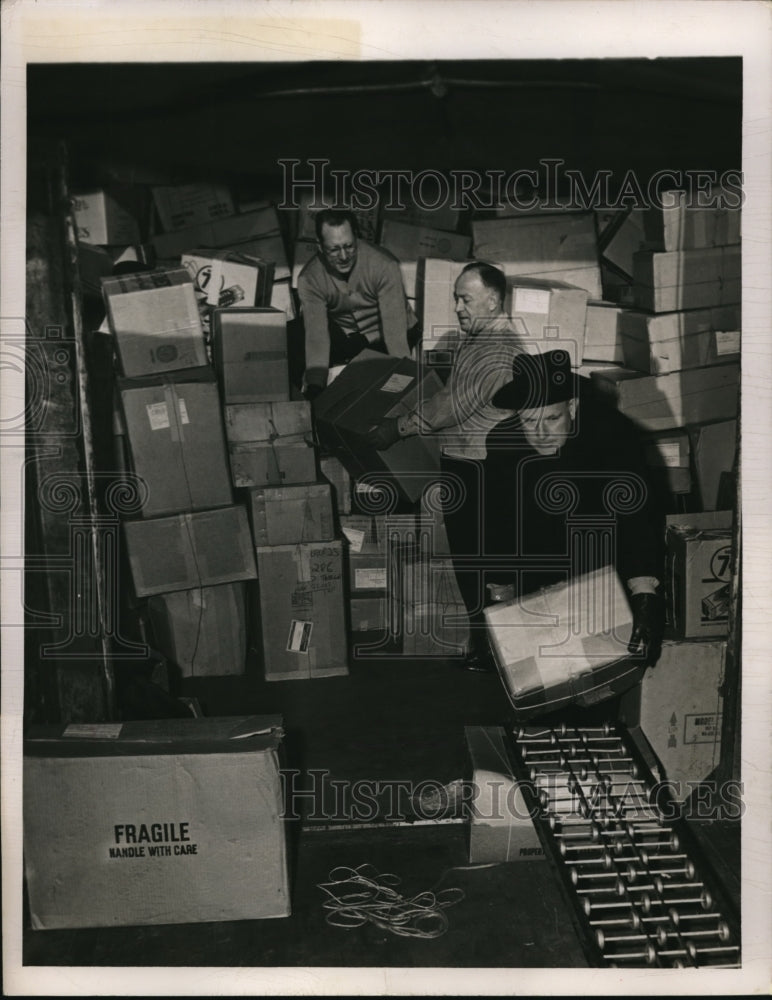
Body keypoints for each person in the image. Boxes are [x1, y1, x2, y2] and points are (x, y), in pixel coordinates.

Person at [366, 262, 526, 671]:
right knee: (472, 559)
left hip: (484, 470)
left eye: (465, 298)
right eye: (455, 297)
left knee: (491, 561)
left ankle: (501, 652)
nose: (457, 306)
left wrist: (399, 427)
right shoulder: (477, 340)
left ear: (493, 300)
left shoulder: (498, 349)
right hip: (463, 462)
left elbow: (455, 405)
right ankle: (484, 645)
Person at [482, 349, 666, 680]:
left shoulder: (614, 437)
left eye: (552, 418)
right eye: (528, 420)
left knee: (602, 683)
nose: (540, 433)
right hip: (536, 572)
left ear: (572, 406)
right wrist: (500, 593)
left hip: (602, 568)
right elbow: (497, 521)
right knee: (543, 685)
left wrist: (643, 591)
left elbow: (638, 518)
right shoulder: (501, 443)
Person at [295, 207, 418, 400]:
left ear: (357, 238)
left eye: (349, 246)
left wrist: (405, 380)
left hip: (391, 333)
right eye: (334, 249)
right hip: (351, 336)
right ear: (319, 245)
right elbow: (316, 336)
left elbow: (395, 334)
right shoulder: (309, 279)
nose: (344, 256)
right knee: (293, 334)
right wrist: (315, 387)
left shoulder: (385, 265)